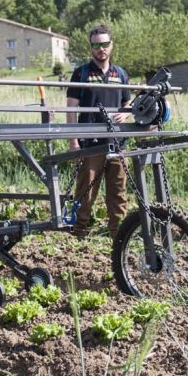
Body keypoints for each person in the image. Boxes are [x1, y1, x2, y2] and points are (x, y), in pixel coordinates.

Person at [65, 23, 132, 239]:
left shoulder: (120, 74)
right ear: (91, 48)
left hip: (117, 143)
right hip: (90, 144)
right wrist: (73, 140)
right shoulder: (81, 73)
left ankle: (118, 236)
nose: (100, 49)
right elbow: (71, 108)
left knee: (118, 193)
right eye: (96, 45)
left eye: (104, 44)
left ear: (111, 45)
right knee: (85, 192)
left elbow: (128, 104)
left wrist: (127, 113)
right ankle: (79, 233)